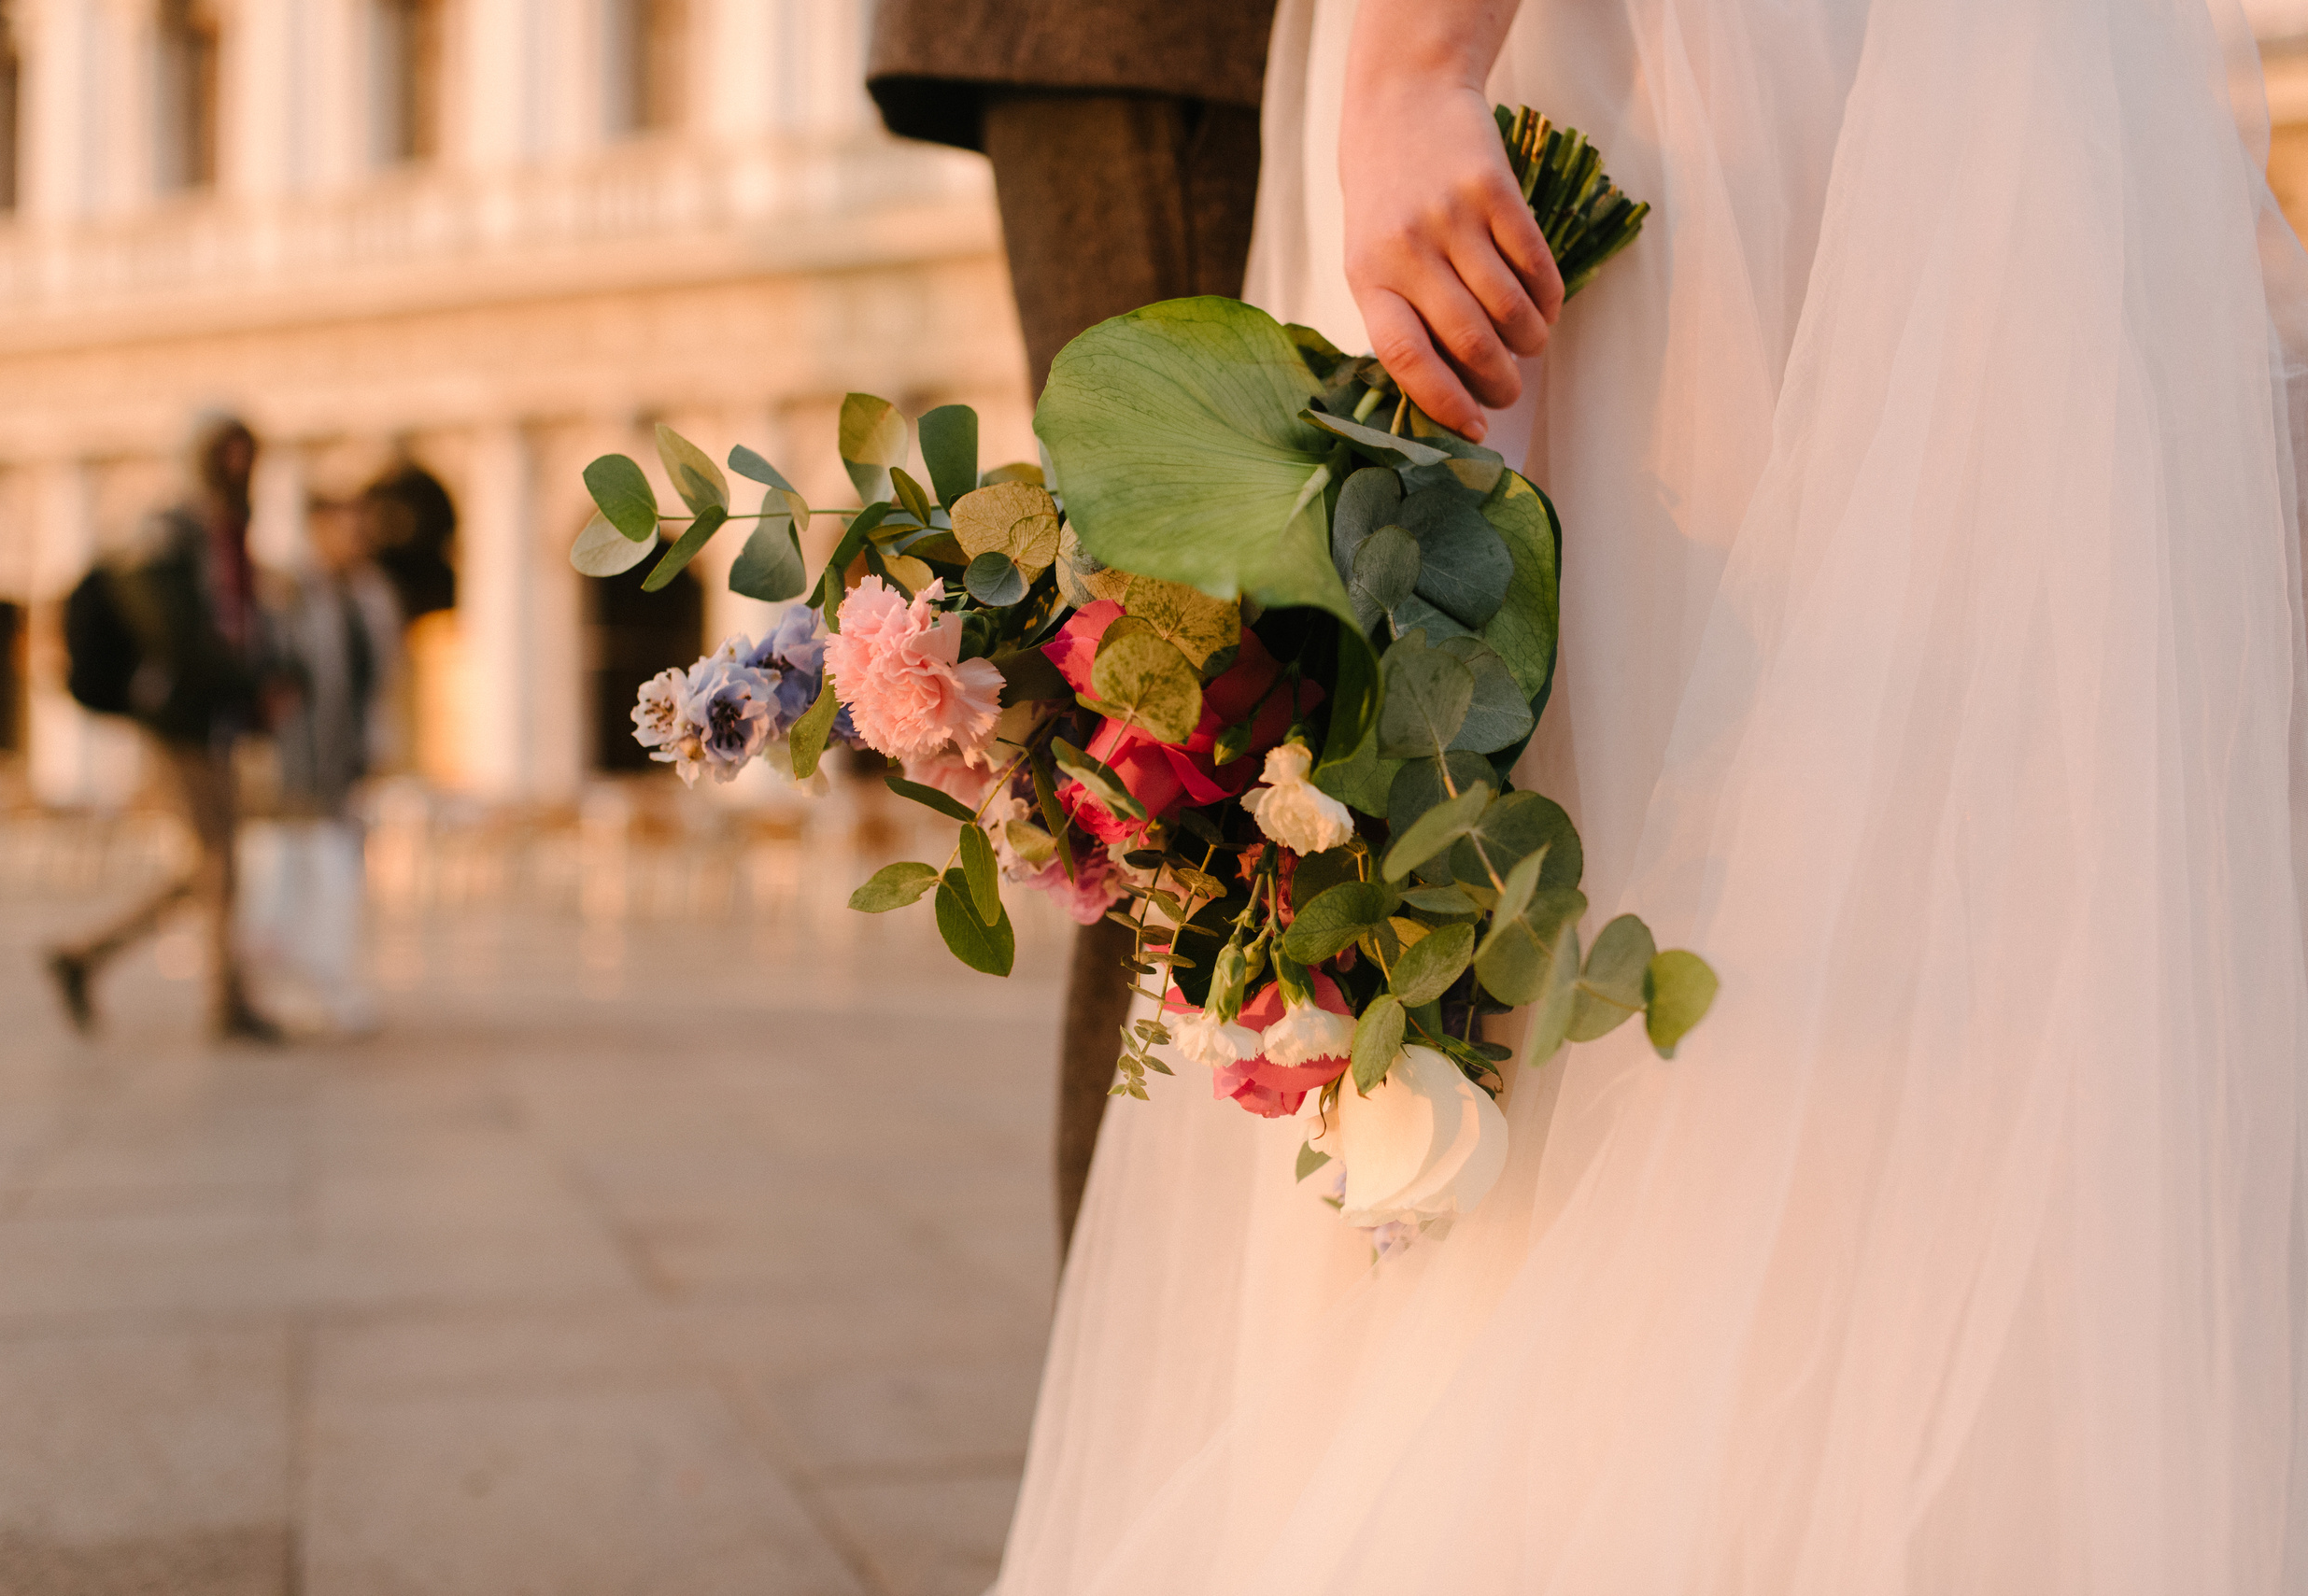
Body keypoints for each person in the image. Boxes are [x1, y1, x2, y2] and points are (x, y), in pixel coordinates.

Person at [991, 0, 2308, 1590]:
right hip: (1927, 92)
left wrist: (1418, 64)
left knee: (1641, 867)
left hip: (1680, 82)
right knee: (1885, 888)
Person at [867, 0, 1281, 1257]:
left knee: (1197, 720)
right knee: (1182, 723)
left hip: (1155, 50)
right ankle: (1147, 1388)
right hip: (1140, 38)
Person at [47, 415, 287, 1042]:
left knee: (215, 866)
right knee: (218, 864)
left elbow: (241, 622)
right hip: (181, 721)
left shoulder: (230, 535)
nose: (239, 468)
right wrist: (241, 678)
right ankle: (224, 1001)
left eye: (247, 456)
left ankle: (86, 956)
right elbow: (176, 629)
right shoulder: (176, 530)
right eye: (228, 456)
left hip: (217, 721)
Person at [244, 492, 401, 1035]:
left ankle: (330, 983)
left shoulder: (370, 597)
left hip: (343, 765)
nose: (353, 538)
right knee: (284, 879)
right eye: (342, 526)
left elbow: (377, 683)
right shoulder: (289, 595)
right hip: (291, 765)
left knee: (338, 878)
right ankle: (282, 986)